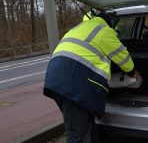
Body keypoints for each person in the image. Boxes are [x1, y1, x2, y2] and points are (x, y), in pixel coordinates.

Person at [43, 10, 139, 143]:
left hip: (58, 79)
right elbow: (123, 58)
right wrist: (134, 75)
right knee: (78, 135)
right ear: (108, 24)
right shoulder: (104, 30)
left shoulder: (81, 27)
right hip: (74, 85)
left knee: (86, 128)